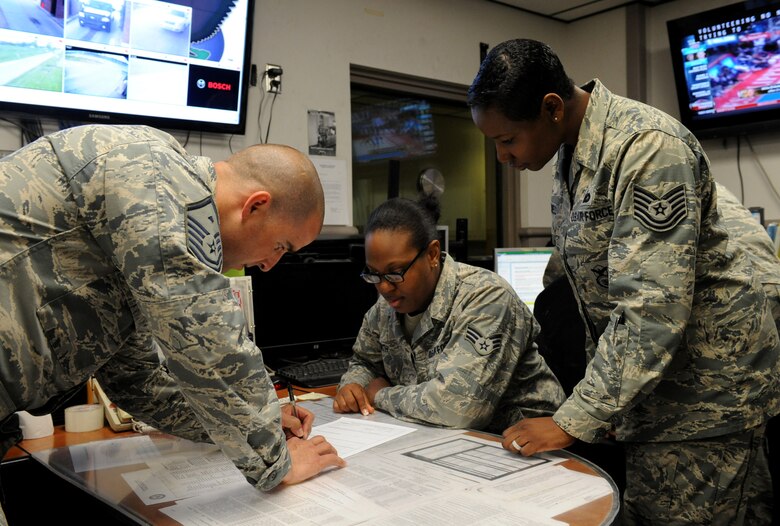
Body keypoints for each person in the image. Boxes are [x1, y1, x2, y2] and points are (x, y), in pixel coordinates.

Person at [467, 38, 779, 524]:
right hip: (654, 399)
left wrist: (574, 419)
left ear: (551, 108)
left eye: (507, 140)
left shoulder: (648, 149)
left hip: (705, 400)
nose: (503, 157)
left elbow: (651, 311)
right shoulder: (572, 155)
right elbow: (595, 294)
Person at [0, 124, 345, 524]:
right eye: (282, 246)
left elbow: (138, 380)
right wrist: (275, 458)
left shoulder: (145, 237)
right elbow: (207, 335)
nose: (270, 265)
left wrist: (256, 424)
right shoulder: (157, 170)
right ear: (255, 206)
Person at [333, 195, 565, 434]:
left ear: (432, 254)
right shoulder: (387, 306)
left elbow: (459, 408)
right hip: (441, 438)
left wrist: (378, 395)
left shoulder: (486, 297)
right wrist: (354, 385)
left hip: (525, 444)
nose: (383, 287)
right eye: (374, 274)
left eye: (395, 272)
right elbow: (364, 362)